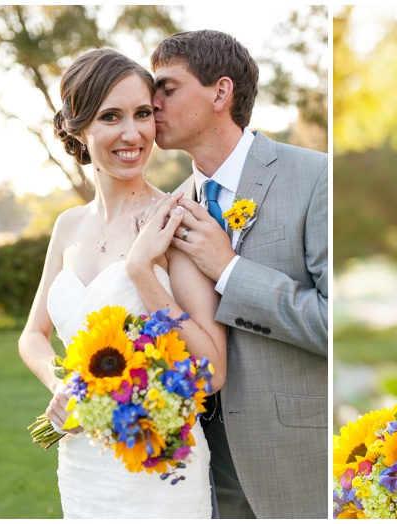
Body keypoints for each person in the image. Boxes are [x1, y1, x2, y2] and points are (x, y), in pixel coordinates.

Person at [18, 48, 227, 519]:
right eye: (110, 116)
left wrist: (140, 273)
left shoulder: (178, 221)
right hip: (83, 466)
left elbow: (212, 371)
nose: (132, 134)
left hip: (160, 471)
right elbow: (33, 334)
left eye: (143, 114)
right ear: (79, 128)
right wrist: (62, 385)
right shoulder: (68, 226)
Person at [148, 30, 328, 519]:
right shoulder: (170, 209)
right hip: (198, 465)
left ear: (220, 92)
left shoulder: (315, 178)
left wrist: (229, 269)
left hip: (294, 459)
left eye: (167, 87)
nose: (152, 101)